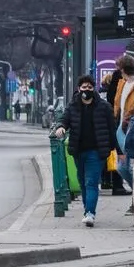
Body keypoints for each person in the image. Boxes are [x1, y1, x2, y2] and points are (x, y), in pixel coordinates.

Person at [53, 76, 117, 228]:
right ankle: (87, 210)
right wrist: (61, 127)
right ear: (78, 89)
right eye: (84, 87)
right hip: (78, 150)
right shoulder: (73, 105)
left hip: (97, 151)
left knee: (91, 182)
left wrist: (115, 149)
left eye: (89, 87)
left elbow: (111, 128)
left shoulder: (103, 106)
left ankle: (90, 213)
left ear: (93, 89)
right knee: (82, 182)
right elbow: (64, 119)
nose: (86, 90)